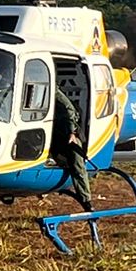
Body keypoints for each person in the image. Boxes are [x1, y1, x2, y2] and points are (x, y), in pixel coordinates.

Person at [50, 83, 93, 211]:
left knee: (77, 164)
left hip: (68, 136)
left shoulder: (55, 94)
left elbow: (70, 110)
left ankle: (86, 199)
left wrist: (72, 132)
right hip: (53, 135)